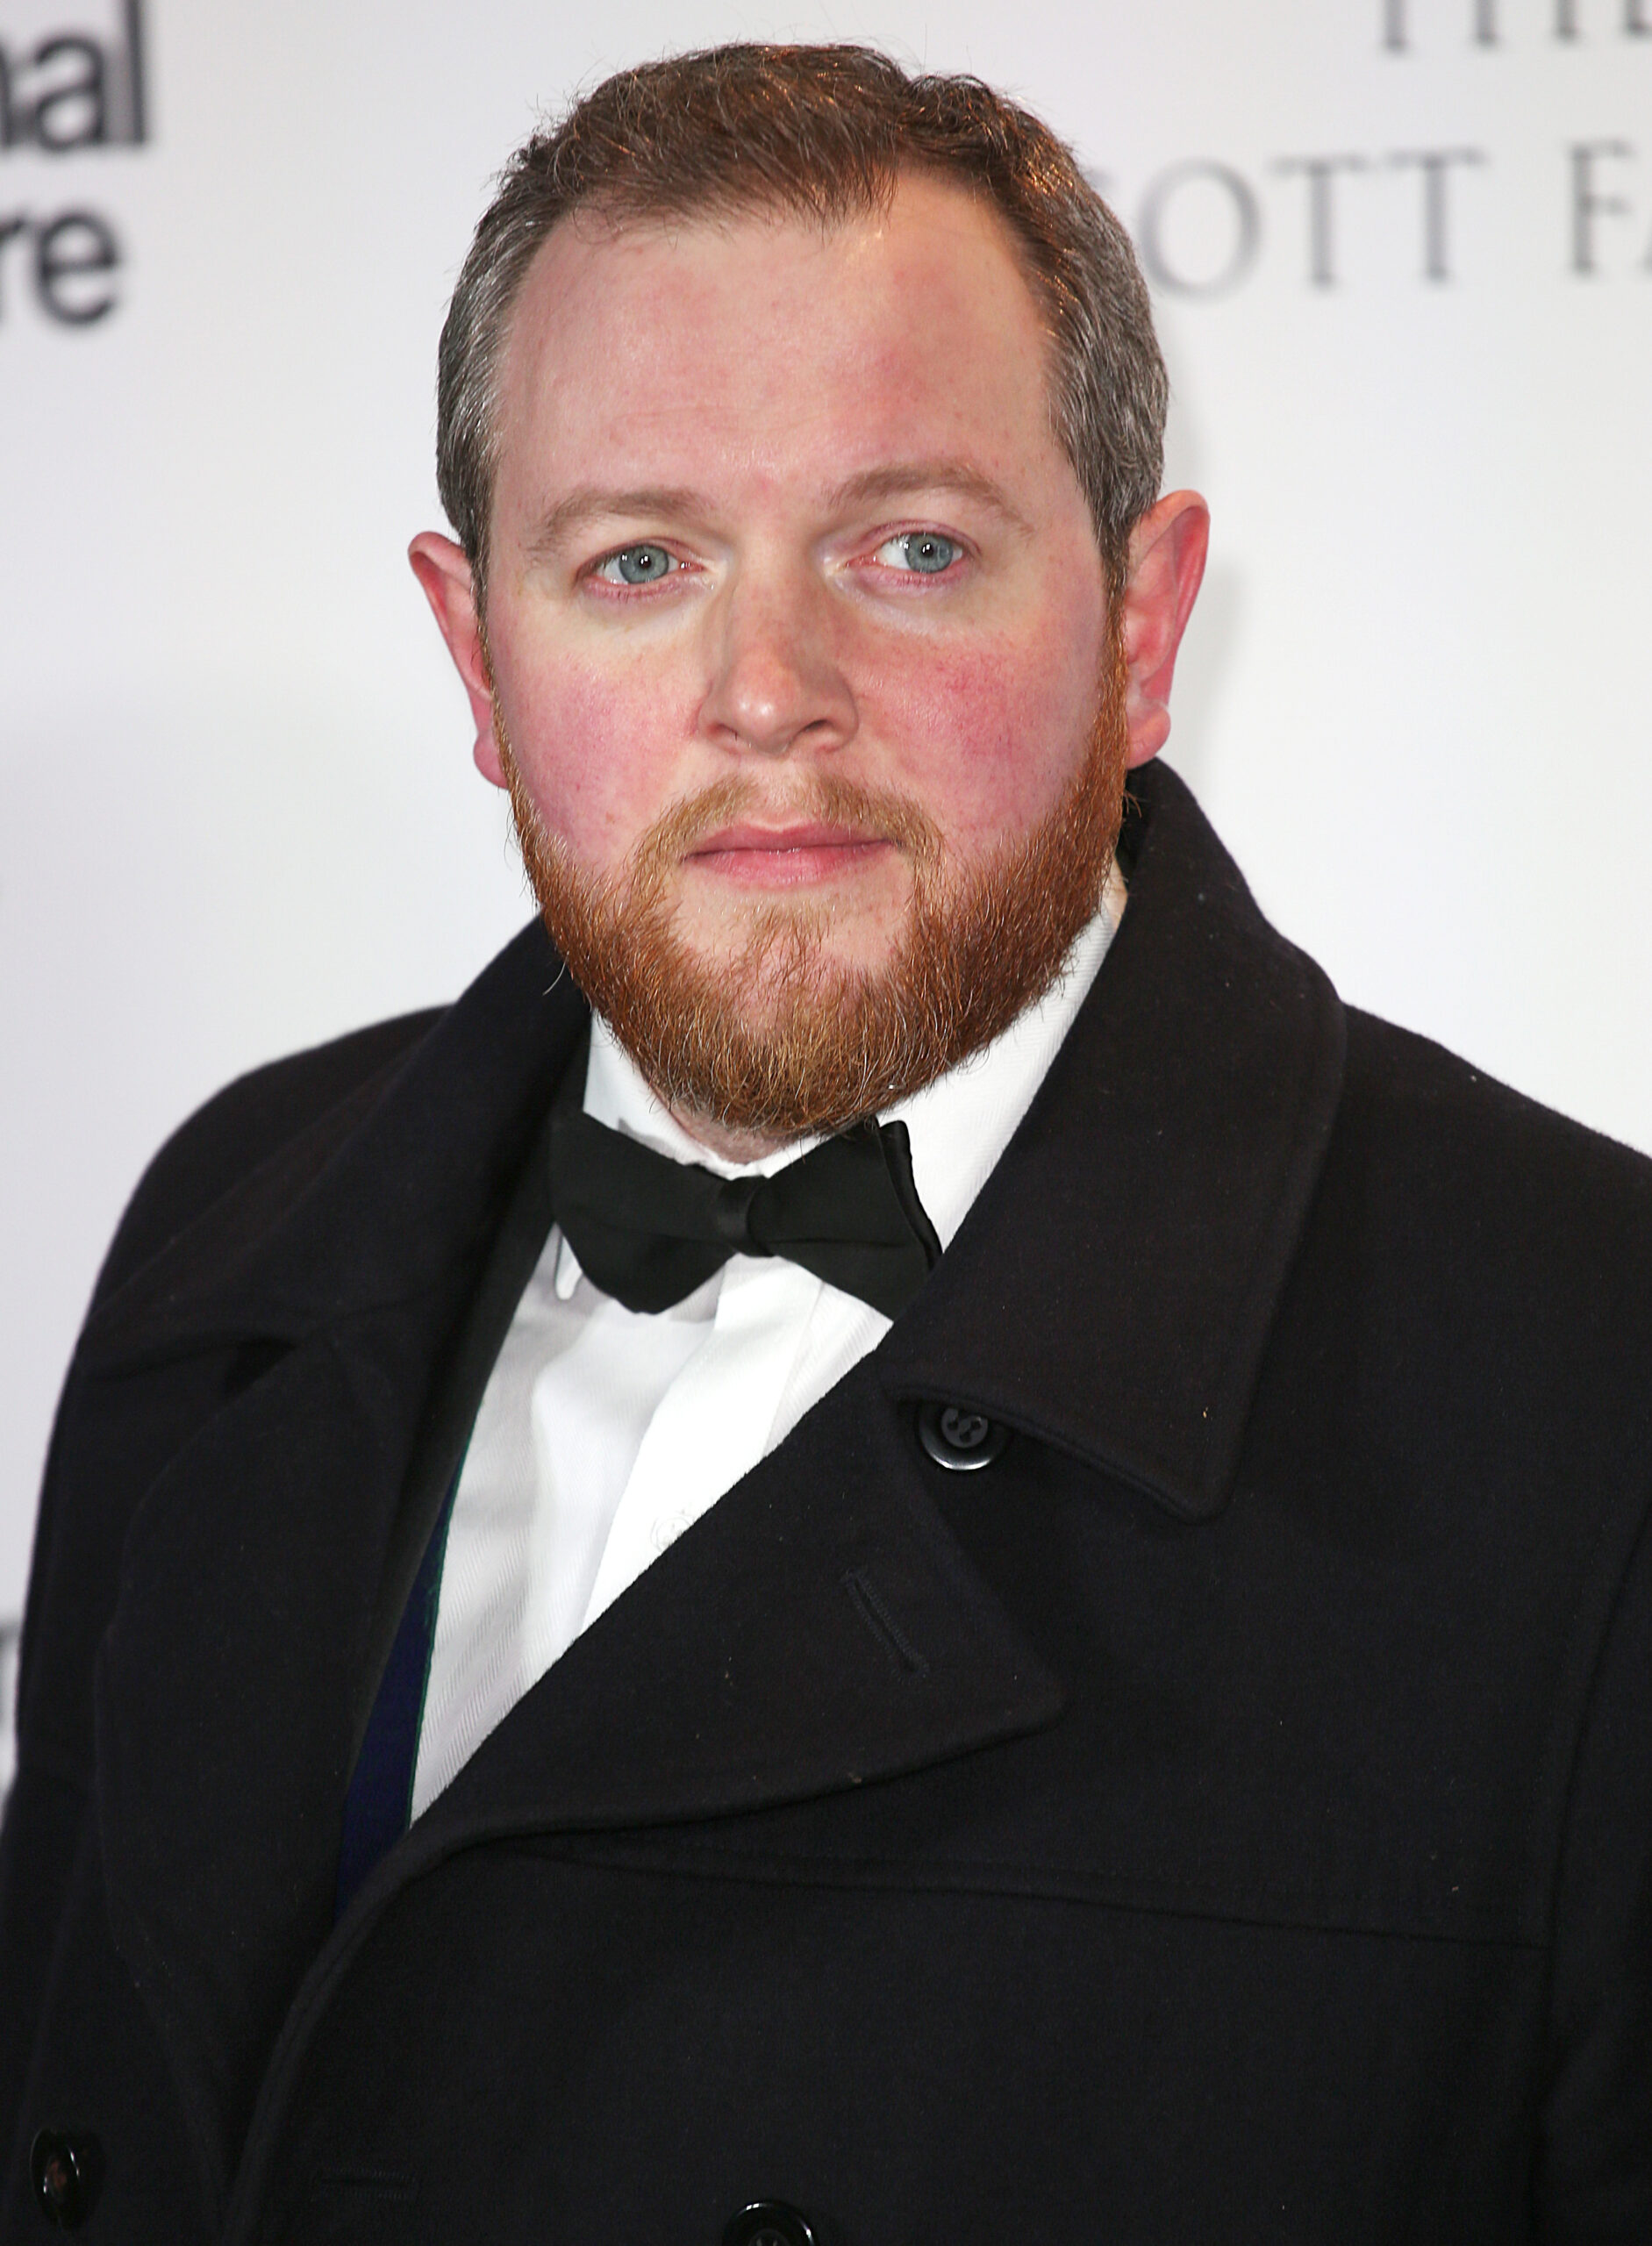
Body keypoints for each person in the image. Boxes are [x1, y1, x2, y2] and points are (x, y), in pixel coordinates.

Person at [2, 40, 1648, 2245]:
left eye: (914, 544)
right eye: (641, 558)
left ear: (1143, 626)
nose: (769, 685)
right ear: (473, 649)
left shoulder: (1587, 1373)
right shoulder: (239, 1222)